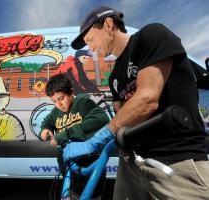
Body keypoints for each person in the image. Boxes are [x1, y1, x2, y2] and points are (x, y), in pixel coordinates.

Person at [63, 5, 209, 199]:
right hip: (133, 162)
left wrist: (94, 142)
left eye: (90, 40)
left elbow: (147, 100)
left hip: (175, 161)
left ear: (108, 24)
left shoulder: (151, 36)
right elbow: (122, 118)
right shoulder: (115, 75)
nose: (90, 49)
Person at [39, 73, 109, 199]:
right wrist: (46, 129)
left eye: (61, 98)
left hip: (88, 162)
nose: (58, 104)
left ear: (71, 93)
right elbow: (48, 121)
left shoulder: (82, 103)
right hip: (69, 165)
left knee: (89, 195)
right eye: (54, 101)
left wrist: (65, 134)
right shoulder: (56, 111)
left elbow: (101, 118)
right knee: (71, 194)